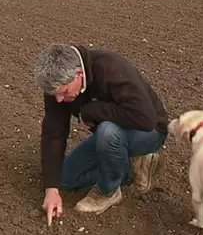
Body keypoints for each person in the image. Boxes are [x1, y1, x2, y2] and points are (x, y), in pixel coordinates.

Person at [33, 44, 169, 225]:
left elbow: (145, 119)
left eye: (64, 92)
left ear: (79, 74)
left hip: (149, 132)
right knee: (64, 178)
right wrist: (51, 189)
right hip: (113, 135)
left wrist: (92, 111)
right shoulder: (57, 86)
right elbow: (53, 133)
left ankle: (108, 191)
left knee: (107, 131)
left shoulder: (111, 68)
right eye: (55, 94)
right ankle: (132, 168)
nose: (59, 99)